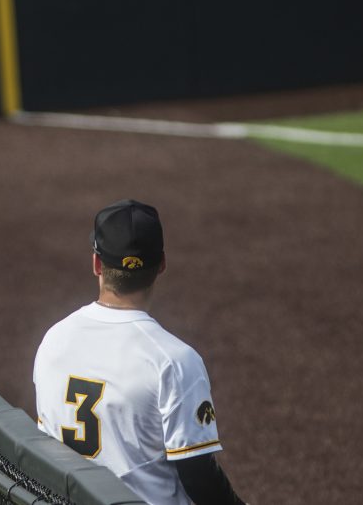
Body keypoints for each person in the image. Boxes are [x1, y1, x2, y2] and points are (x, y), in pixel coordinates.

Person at [33, 199, 244, 505]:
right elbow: (198, 475)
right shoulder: (174, 360)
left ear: (96, 263)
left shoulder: (53, 340)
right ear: (161, 265)